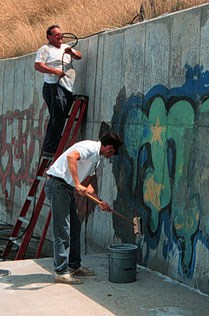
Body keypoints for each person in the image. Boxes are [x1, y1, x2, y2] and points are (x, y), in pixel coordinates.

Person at [45, 131, 123, 284]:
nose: (111, 156)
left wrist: (100, 202)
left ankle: (74, 266)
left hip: (65, 188)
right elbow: (71, 157)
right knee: (62, 229)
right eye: (112, 152)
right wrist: (76, 182)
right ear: (108, 147)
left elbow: (88, 187)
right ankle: (60, 271)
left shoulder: (96, 158)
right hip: (57, 185)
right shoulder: (90, 147)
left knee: (75, 228)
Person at [34, 25, 82, 157]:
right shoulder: (45, 49)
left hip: (67, 87)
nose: (60, 36)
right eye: (56, 35)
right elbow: (38, 65)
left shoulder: (66, 47)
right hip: (53, 87)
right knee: (58, 115)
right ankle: (51, 147)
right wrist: (54, 71)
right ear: (49, 37)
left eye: (61, 34)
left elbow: (79, 56)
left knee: (60, 116)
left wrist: (71, 53)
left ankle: (52, 145)